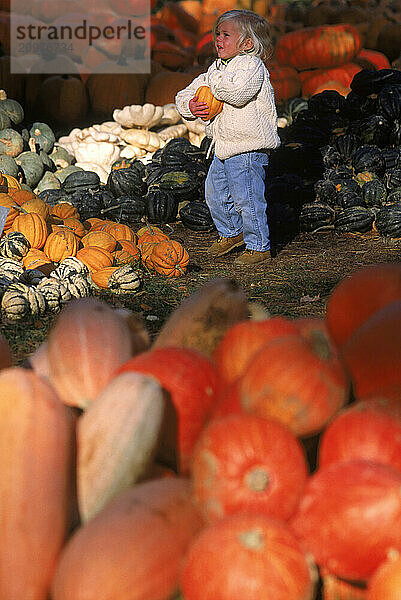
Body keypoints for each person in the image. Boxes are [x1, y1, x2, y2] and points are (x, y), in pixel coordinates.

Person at [175, 9, 281, 265]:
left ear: (246, 44)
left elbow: (237, 93)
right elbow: (185, 92)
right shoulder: (217, 68)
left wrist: (211, 84)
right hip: (223, 146)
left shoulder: (252, 66)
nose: (218, 39)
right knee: (215, 193)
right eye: (217, 34)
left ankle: (259, 246)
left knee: (247, 197)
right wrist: (189, 105)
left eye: (225, 35)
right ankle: (233, 232)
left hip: (247, 146)